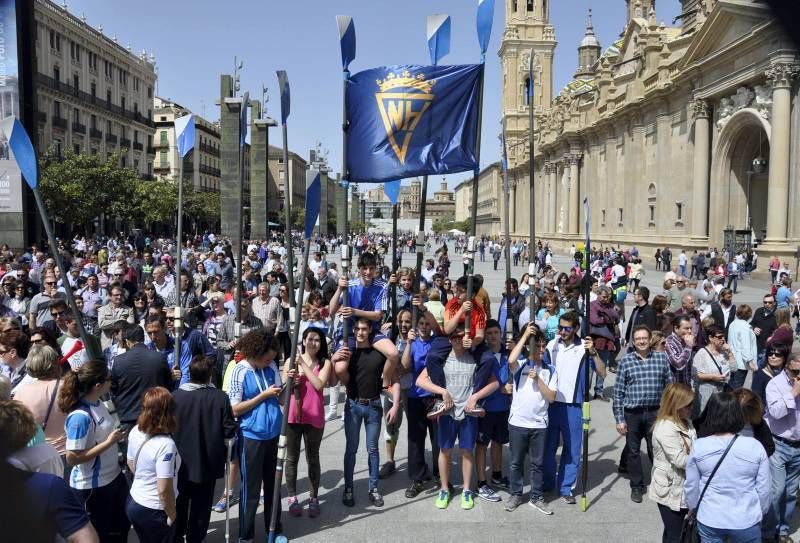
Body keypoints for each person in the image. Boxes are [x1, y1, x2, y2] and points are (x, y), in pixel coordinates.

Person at [415, 326, 499, 511]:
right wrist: (442, 391)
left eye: (462, 337)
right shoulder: (442, 359)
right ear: (449, 340)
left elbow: (494, 383)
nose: (458, 340)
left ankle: (467, 490)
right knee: (444, 451)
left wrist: (475, 397)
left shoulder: (474, 359)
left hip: (468, 413)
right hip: (447, 413)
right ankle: (444, 489)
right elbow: (420, 381)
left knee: (466, 452)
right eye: (454, 337)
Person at [58, 359, 130, 542]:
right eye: (109, 379)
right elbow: (72, 458)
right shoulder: (80, 417)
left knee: (120, 530)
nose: (111, 382)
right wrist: (109, 442)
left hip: (113, 478)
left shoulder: (100, 403)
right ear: (98, 385)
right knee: (101, 536)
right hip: (92, 488)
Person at [332, 317, 400, 508]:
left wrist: (395, 404)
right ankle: (348, 488)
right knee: (351, 450)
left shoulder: (379, 352)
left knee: (373, 449)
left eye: (363, 328)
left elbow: (393, 380)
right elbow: (339, 377)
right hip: (353, 405)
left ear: (370, 330)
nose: (360, 332)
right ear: (353, 331)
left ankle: (373, 488)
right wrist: (334, 358)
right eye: (356, 329)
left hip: (374, 406)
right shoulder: (349, 353)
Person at [685, 392, 770, 542]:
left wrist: (694, 508)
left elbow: (692, 487)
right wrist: (759, 513)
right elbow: (764, 489)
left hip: (710, 518)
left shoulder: (700, 446)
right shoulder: (755, 447)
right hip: (746, 519)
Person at [171, 355, 237, 543]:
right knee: (201, 507)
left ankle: (177, 535)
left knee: (180, 502)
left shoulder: (176, 396)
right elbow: (229, 429)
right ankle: (195, 538)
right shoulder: (220, 397)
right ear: (210, 375)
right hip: (207, 462)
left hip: (180, 463)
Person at [227, 329, 284, 539]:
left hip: (274, 433)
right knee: (251, 491)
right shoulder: (239, 370)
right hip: (251, 436)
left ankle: (275, 529)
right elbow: (234, 409)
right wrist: (263, 395)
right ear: (256, 353)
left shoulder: (271, 367)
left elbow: (281, 399)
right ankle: (246, 535)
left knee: (273, 486)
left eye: (272, 358)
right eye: (267, 358)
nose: (270, 361)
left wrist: (290, 384)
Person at [542, 311, 603, 504]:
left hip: (574, 406)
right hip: (552, 404)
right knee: (547, 448)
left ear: (576, 328)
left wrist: (593, 352)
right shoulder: (552, 345)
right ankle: (546, 482)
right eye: (560, 328)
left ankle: (566, 486)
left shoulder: (585, 348)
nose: (561, 331)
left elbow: (602, 372)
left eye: (566, 328)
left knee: (572, 449)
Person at [613, 325, 673, 503]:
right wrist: (619, 419)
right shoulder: (626, 361)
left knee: (656, 449)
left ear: (649, 339)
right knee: (633, 451)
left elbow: (669, 387)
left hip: (655, 412)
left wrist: (669, 413)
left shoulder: (661, 359)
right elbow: (618, 393)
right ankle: (637, 486)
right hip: (632, 413)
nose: (641, 341)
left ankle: (659, 483)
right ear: (633, 341)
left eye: (644, 338)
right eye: (637, 338)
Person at [503, 323, 557, 514]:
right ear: (529, 347)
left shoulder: (550, 370)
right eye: (538, 346)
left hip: (539, 424)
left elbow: (551, 397)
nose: (541, 350)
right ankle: (516, 494)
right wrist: (525, 335)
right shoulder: (521, 365)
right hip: (518, 422)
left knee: (537, 464)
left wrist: (538, 379)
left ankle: (536, 496)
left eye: (544, 346)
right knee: (516, 462)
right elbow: (511, 359)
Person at [283, 327, 332, 518]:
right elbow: (283, 390)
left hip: (314, 416)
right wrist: (290, 378)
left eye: (317, 340)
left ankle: (313, 497)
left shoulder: (325, 362)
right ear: (303, 341)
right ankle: (292, 497)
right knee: (291, 459)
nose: (313, 343)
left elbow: (319, 385)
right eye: (309, 339)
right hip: (293, 416)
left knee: (313, 457)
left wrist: (303, 364)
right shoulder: (290, 361)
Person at [126, 387, 181, 543]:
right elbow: (164, 489)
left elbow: (131, 463)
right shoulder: (165, 445)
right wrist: (172, 514)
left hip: (134, 501)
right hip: (154, 510)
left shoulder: (135, 430)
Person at [401, 302, 439, 498]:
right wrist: (408, 343)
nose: (424, 327)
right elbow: (405, 366)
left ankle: (440, 473)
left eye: (427, 324)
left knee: (437, 439)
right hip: (415, 396)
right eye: (421, 324)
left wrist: (424, 309)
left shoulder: (437, 342)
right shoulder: (413, 343)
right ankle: (417, 478)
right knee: (416, 439)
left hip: (434, 397)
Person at [649, 383, 696, 543]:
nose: (691, 407)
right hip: (670, 490)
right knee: (676, 536)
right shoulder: (664, 427)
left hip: (684, 488)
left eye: (692, 403)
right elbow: (680, 460)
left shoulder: (686, 422)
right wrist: (706, 457)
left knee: (673, 533)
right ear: (676, 405)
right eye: (688, 404)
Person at [12, 344, 68, 472]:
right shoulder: (64, 387)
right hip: (68, 451)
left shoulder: (20, 392)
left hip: (41, 458)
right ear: (53, 363)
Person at [474, 319, 512, 502]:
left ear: (501, 334)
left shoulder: (508, 354)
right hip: (485, 407)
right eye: (488, 333)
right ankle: (481, 483)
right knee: (481, 444)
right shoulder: (481, 354)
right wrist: (499, 388)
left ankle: (496, 475)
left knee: (498, 442)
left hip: (503, 407)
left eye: (495, 332)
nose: (492, 336)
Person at [764, 352, 800, 542]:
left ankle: (783, 531)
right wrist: (793, 394)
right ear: (787, 368)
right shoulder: (775, 384)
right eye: (796, 371)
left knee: (790, 492)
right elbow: (776, 412)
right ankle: (768, 533)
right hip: (779, 444)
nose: (798, 376)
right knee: (776, 491)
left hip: (798, 447)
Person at [111, 324, 174, 430]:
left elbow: (114, 389)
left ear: (127, 341)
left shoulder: (118, 361)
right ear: (143, 338)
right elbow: (167, 385)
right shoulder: (159, 357)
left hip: (129, 418)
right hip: (156, 416)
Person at [691, 325, 735, 416]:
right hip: (706, 394)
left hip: (721, 393)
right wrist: (713, 377)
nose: (723, 339)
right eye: (719, 337)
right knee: (705, 419)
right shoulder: (702, 353)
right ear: (710, 338)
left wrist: (730, 353)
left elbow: (734, 369)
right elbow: (695, 375)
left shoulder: (724, 352)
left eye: (724, 336)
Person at [727, 304, 757, 390]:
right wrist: (750, 361)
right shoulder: (745, 327)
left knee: (731, 385)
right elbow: (745, 345)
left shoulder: (733, 324)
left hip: (732, 359)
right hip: (741, 363)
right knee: (737, 389)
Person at [664, 315, 695, 386]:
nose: (690, 331)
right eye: (686, 328)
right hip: (675, 387)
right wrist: (688, 347)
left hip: (686, 385)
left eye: (691, 328)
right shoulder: (669, 342)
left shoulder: (686, 341)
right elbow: (678, 364)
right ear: (676, 328)